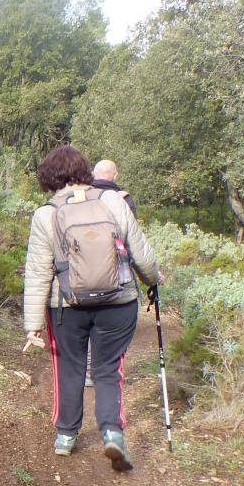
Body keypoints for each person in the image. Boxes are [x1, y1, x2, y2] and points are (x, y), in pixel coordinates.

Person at [21, 145, 163, 472]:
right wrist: (153, 279)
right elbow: (140, 251)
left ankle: (66, 437)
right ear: (86, 171)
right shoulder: (114, 201)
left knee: (69, 368)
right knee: (108, 369)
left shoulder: (46, 214)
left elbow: (39, 271)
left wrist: (33, 326)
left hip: (66, 308)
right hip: (119, 302)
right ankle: (112, 432)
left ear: (48, 177)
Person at [83, 159, 136, 388]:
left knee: (87, 320)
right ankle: (103, 370)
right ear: (115, 175)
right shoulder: (124, 200)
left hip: (84, 273)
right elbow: (133, 239)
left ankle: (86, 370)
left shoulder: (81, 197)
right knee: (110, 322)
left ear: (94, 175)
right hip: (117, 275)